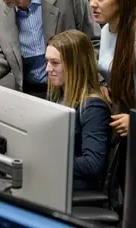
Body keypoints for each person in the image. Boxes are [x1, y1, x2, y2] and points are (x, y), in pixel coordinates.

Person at [87, 0, 136, 193]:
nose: (92, 4)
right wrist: (108, 85)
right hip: (124, 122)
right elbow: (110, 68)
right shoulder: (108, 28)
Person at [46, 30, 111, 191]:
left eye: (55, 63)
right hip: (56, 178)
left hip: (73, 186)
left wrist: (46, 158)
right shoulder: (59, 94)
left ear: (74, 66)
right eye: (47, 61)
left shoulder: (93, 107)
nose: (47, 69)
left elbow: (92, 164)